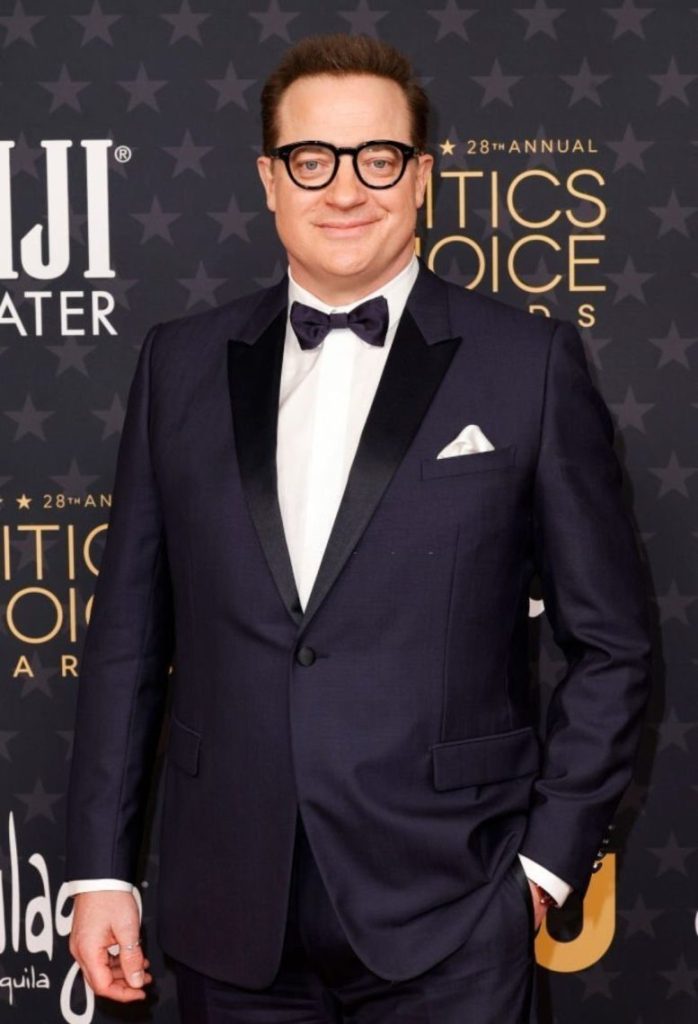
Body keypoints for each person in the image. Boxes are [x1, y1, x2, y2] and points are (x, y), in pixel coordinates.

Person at [65, 33, 652, 1023]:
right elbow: (126, 639)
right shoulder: (178, 365)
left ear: (420, 176)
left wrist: (543, 869)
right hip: (225, 911)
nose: (345, 189)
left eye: (377, 158)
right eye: (312, 159)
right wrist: (100, 870)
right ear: (268, 179)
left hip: (453, 911)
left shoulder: (528, 364)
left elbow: (612, 645)